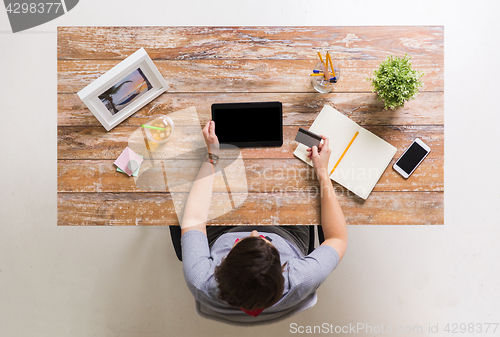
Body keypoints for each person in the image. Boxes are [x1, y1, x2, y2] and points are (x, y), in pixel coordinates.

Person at [172, 120, 347, 317]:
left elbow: (194, 217)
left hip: (220, 234)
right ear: (284, 270)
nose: (255, 232)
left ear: (220, 267)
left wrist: (212, 156)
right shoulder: (300, 278)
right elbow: (337, 239)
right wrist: (322, 172)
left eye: (248, 240)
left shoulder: (200, 278)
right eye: (264, 241)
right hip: (288, 235)